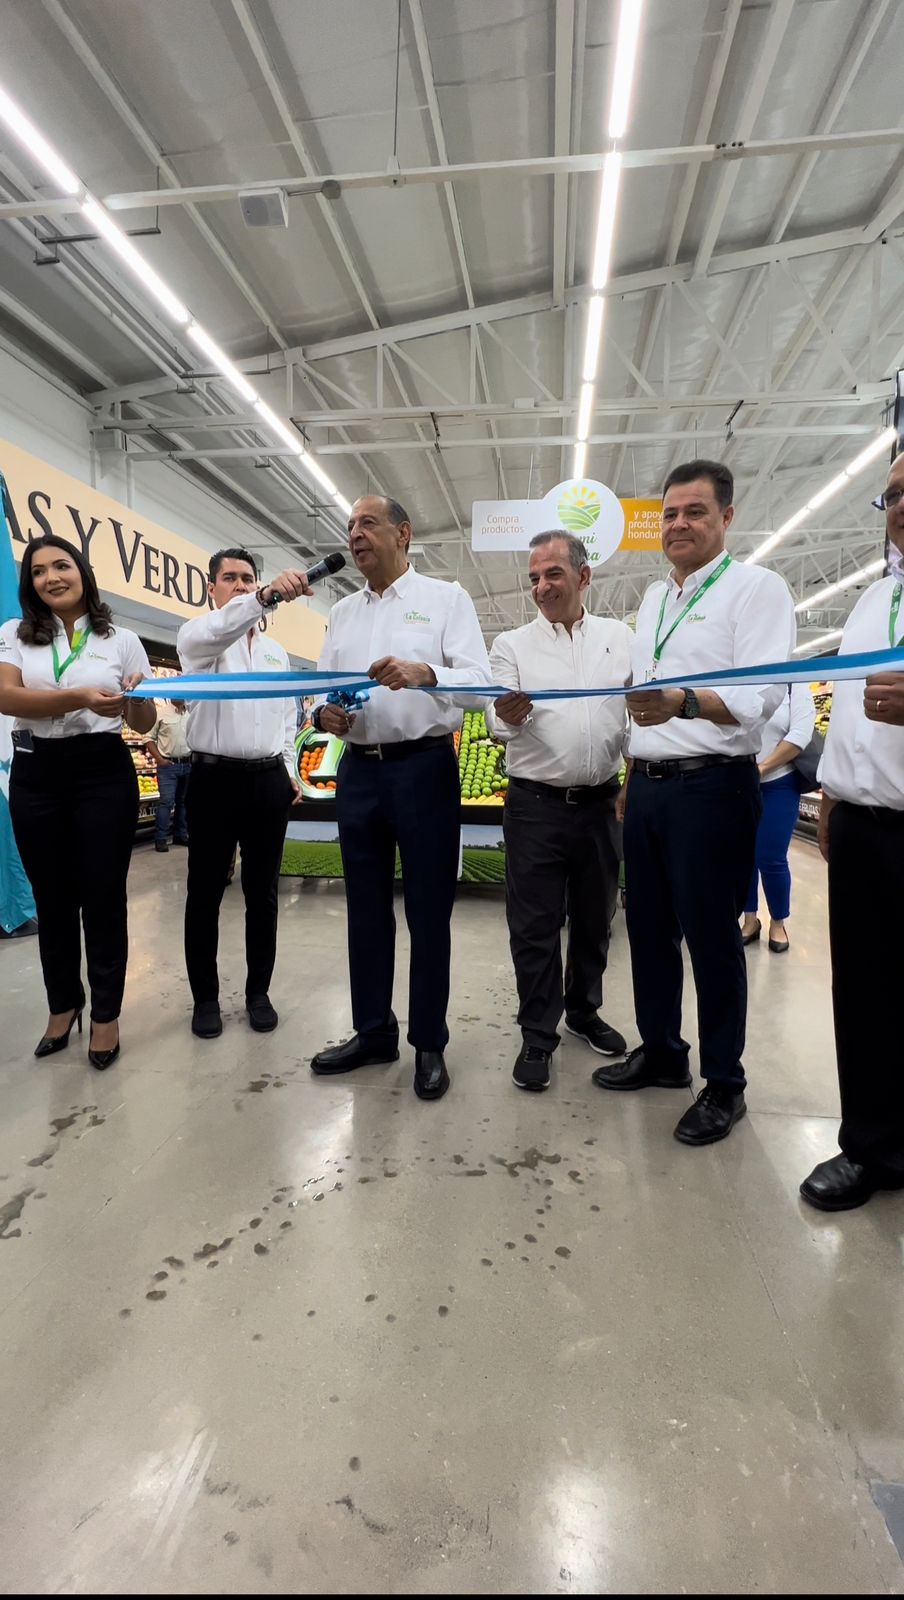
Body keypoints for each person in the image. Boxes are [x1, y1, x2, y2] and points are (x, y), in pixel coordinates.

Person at [592, 460, 796, 1145]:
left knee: (711, 938)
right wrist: (632, 775)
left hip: (714, 787)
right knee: (648, 931)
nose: (679, 524)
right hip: (650, 787)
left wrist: (684, 701)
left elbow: (761, 696)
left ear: (726, 518)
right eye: (671, 514)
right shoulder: (655, 598)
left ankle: (725, 1085)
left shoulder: (756, 590)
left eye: (695, 512)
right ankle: (662, 1052)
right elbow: (643, 703)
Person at [309, 495, 491, 1101]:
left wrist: (426, 673)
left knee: (428, 912)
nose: (355, 535)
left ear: (403, 533)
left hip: (424, 769)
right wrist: (324, 713)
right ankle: (373, 1032)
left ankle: (429, 1042)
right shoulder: (342, 612)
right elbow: (323, 688)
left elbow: (481, 686)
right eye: (350, 527)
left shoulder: (446, 599)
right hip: (359, 772)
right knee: (364, 910)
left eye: (367, 523)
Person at [0, 535, 156, 1069]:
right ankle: (63, 1004)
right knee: (52, 898)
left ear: (82, 572)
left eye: (61, 565)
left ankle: (106, 1013)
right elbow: (6, 697)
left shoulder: (122, 640)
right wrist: (80, 696)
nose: (51, 577)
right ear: (31, 584)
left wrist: (136, 696)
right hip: (36, 772)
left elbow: (143, 723)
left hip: (101, 772)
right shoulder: (14, 635)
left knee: (104, 897)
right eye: (38, 571)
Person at [487, 530, 631, 1091]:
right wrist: (507, 716)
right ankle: (537, 1033)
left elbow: (634, 717)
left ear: (584, 576)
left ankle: (584, 1011)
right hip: (535, 807)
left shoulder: (619, 639)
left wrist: (632, 778)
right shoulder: (512, 645)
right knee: (535, 925)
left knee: (596, 918)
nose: (542, 587)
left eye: (553, 574)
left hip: (601, 803)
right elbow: (496, 721)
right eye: (534, 578)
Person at [800, 448, 904, 1211]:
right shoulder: (872, 602)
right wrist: (832, 795)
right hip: (864, 828)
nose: (900, 506)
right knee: (863, 993)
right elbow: (846, 712)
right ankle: (869, 1146)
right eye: (892, 495)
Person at [177, 548, 311, 1040]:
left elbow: (286, 715)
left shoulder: (275, 653)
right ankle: (205, 999)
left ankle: (259, 993)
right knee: (205, 893)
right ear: (211, 587)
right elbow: (222, 628)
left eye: (247, 578)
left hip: (266, 781)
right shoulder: (199, 638)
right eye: (229, 578)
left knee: (263, 893)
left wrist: (289, 768)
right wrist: (264, 597)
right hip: (213, 780)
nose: (240, 585)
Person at [741, 683, 816, 953]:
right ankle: (750, 919)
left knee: (771, 856)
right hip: (741, 784)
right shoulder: (746, 681)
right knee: (744, 855)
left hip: (780, 783)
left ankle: (778, 921)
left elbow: (800, 734)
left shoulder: (795, 686)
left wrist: (762, 768)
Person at [147, 698, 191, 852]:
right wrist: (159, 759)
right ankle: (161, 838)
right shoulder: (160, 713)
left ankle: (181, 835)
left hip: (187, 764)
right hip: (168, 765)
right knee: (166, 802)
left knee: (183, 802)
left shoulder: (190, 714)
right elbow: (148, 738)